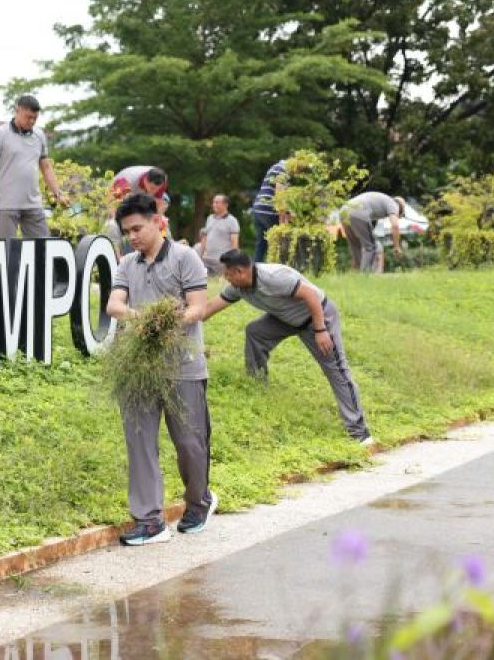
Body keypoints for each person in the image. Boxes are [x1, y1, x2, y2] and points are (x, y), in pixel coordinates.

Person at [107, 193, 216, 546]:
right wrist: (143, 320)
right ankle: (150, 521)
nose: (133, 236)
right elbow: (114, 304)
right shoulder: (127, 264)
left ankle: (199, 502)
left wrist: (165, 323)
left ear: (157, 221)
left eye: (137, 228)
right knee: (139, 442)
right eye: (127, 232)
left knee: (189, 443)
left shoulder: (186, 258)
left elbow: (197, 308)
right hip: (140, 367)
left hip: (183, 367)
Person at [203, 250, 372, 444]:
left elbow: (310, 296)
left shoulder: (274, 277)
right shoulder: (238, 288)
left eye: (228, 274)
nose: (226, 279)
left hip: (316, 317)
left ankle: (360, 433)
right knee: (256, 332)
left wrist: (320, 330)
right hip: (286, 319)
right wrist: (185, 320)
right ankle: (257, 385)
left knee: (336, 370)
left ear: (240, 271)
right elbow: (209, 308)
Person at [0, 95, 69, 239]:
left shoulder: (39, 135)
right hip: (6, 204)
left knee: (43, 247)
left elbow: (46, 168)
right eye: (28, 117)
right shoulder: (0, 133)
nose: (32, 121)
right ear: (17, 110)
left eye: (35, 118)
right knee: (6, 252)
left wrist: (58, 194)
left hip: (33, 204)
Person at [340, 192, 406, 273]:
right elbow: (395, 226)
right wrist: (397, 246)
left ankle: (354, 277)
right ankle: (363, 277)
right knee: (371, 247)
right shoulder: (394, 204)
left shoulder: (382, 201)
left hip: (344, 211)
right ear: (400, 208)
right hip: (358, 212)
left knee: (356, 247)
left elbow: (370, 225)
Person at [250, 159, 287, 262]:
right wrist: (282, 219)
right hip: (268, 211)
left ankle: (256, 272)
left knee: (261, 244)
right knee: (276, 244)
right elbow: (279, 194)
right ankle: (274, 270)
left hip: (258, 208)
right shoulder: (283, 169)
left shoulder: (275, 166)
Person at [197, 194, 240, 276]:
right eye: (213, 202)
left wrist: (233, 262)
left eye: (217, 203)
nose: (214, 205)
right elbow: (204, 239)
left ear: (225, 205)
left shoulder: (232, 221)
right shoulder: (210, 218)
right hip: (207, 260)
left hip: (221, 262)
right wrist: (200, 257)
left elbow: (234, 244)